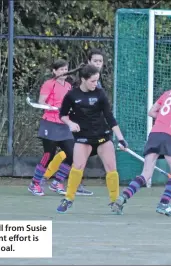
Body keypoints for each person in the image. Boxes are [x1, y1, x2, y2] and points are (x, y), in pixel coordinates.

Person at [111, 73, 171, 217]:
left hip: (155, 134)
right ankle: (164, 204)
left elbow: (152, 112)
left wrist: (168, 118)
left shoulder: (167, 94)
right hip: (170, 136)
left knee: (146, 174)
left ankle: (123, 198)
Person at [55, 65, 128, 214]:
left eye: (97, 81)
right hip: (83, 138)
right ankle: (68, 199)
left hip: (102, 137)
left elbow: (110, 118)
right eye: (93, 81)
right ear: (83, 79)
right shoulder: (71, 96)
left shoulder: (100, 94)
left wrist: (120, 138)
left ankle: (115, 202)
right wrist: (70, 123)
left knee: (111, 169)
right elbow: (62, 115)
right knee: (78, 167)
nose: (95, 84)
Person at [28, 59, 75, 196]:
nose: (64, 72)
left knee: (72, 155)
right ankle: (34, 183)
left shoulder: (68, 86)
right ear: (54, 71)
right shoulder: (49, 84)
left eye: (66, 69)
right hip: (49, 123)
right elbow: (42, 102)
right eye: (61, 69)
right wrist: (53, 107)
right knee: (49, 155)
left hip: (64, 125)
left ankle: (57, 182)